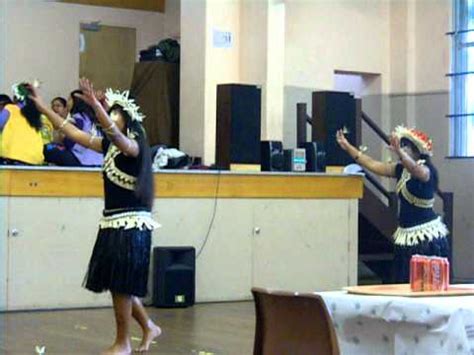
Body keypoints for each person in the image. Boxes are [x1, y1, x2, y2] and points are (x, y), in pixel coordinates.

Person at [29, 78, 161, 354]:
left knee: (121, 283)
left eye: (115, 113)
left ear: (128, 120)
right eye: (109, 113)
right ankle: (148, 326)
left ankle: (123, 343)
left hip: (131, 224)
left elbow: (115, 134)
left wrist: (97, 107)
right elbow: (72, 133)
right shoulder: (109, 146)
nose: (110, 117)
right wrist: (43, 107)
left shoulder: (133, 147)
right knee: (117, 282)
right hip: (112, 221)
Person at [336, 126, 449, 283]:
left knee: (425, 283)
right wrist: (348, 147)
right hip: (405, 235)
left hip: (425, 239)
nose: (401, 149)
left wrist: (399, 153)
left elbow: (417, 171)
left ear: (415, 150)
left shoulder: (427, 170)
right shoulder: (401, 170)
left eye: (405, 146)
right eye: (400, 146)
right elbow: (373, 165)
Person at [44, 90, 103, 167]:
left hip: (82, 160)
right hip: (98, 160)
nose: (68, 102)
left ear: (76, 101)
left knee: (47, 149)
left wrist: (62, 137)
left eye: (69, 99)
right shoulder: (90, 117)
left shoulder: (77, 118)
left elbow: (70, 143)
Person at [0, 83, 44, 165]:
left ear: (16, 97)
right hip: (35, 159)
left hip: (13, 157)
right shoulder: (36, 113)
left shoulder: (10, 108)